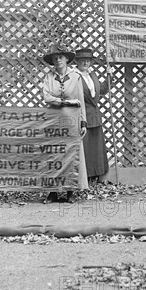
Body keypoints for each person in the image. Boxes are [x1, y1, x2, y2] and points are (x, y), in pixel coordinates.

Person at [42, 44, 88, 203]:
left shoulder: (76, 77)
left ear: (67, 59)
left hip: (71, 120)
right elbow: (47, 97)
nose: (58, 60)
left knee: (71, 154)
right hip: (53, 120)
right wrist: (65, 101)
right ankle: (53, 191)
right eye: (55, 58)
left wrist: (83, 122)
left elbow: (80, 100)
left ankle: (70, 190)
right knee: (54, 154)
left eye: (60, 57)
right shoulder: (49, 77)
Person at [75, 48, 109, 183]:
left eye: (88, 60)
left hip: (95, 116)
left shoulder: (92, 75)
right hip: (82, 116)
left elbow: (102, 90)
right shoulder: (74, 76)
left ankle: (96, 173)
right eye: (82, 60)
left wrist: (108, 77)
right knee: (85, 147)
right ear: (77, 61)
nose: (85, 63)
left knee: (96, 147)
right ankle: (86, 176)